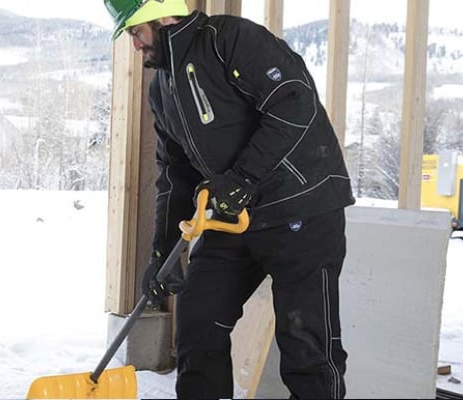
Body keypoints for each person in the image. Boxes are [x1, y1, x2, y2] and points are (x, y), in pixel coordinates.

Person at [103, 0, 356, 398]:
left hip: (302, 209)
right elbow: (175, 175)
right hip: (234, 216)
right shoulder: (163, 90)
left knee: (307, 345)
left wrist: (243, 178)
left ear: (160, 16)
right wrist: (161, 255)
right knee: (199, 323)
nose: (135, 45)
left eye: (136, 32)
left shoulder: (228, 40)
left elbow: (294, 102)